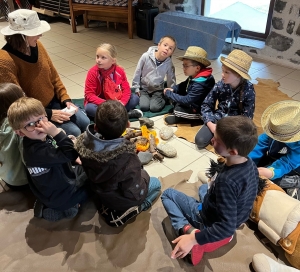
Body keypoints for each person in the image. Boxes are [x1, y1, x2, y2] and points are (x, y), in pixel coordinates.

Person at [161, 115, 259, 266]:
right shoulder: (250, 163)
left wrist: (194, 239)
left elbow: (226, 227)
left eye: (217, 140)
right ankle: (220, 235)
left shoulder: (227, 181)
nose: (212, 140)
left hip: (211, 222)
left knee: (168, 194)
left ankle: (189, 230)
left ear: (232, 152)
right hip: (235, 218)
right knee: (202, 188)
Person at [0, 9, 90, 137]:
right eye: (35, 32)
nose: (40, 35)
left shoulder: (38, 45)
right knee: (74, 131)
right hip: (34, 115)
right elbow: (19, 103)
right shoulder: (4, 60)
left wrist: (65, 99)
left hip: (54, 102)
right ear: (21, 35)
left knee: (85, 122)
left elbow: (54, 75)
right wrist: (48, 114)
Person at [75, 100, 161, 227]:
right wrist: (144, 177)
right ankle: (135, 209)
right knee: (156, 183)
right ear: (128, 125)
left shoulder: (84, 145)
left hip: (100, 192)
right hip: (118, 200)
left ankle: (109, 205)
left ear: (96, 127)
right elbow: (133, 191)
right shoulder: (127, 159)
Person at [8, 97, 89, 222]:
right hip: (62, 195)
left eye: (41, 119)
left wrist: (71, 159)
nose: (39, 125)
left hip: (55, 184)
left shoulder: (35, 139)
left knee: (85, 167)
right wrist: (56, 132)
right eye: (30, 124)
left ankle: (49, 204)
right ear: (20, 133)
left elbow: (62, 155)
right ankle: (58, 210)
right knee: (93, 181)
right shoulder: (37, 152)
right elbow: (71, 154)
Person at [195, 49, 255, 149]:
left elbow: (247, 119)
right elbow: (206, 105)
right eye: (223, 71)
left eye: (227, 72)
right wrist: (211, 124)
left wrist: (233, 131)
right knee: (200, 141)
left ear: (238, 75)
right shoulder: (220, 85)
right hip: (218, 120)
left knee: (237, 147)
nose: (222, 75)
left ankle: (222, 141)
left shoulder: (248, 91)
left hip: (235, 126)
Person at [249, 100, 300, 199]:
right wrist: (246, 162)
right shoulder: (276, 130)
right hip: (276, 158)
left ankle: (296, 183)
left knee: (270, 182)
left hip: (295, 168)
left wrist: (271, 172)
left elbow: (288, 163)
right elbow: (258, 145)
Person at [84, 43, 142, 119]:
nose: (98, 60)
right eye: (97, 56)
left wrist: (122, 103)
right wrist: (108, 104)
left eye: (103, 58)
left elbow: (126, 89)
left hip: (116, 100)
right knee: (89, 108)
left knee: (135, 98)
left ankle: (109, 117)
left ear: (113, 61)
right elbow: (89, 95)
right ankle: (124, 115)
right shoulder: (92, 72)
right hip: (102, 103)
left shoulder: (119, 71)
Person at [163, 46, 215, 125]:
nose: (183, 68)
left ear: (197, 68)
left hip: (199, 109)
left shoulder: (200, 84)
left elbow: (187, 100)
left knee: (177, 109)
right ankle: (180, 114)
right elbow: (184, 85)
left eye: (186, 66)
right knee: (177, 97)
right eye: (183, 65)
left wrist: (169, 94)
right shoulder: (195, 74)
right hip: (193, 101)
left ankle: (195, 119)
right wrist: (173, 89)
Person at [132, 35, 176, 113]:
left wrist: (171, 93)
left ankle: (163, 98)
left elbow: (171, 78)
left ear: (171, 53)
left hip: (157, 89)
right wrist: (136, 87)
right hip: (144, 88)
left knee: (154, 108)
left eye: (170, 48)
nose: (167, 49)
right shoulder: (145, 56)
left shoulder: (169, 63)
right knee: (144, 107)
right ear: (158, 45)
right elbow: (137, 72)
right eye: (165, 45)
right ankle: (148, 99)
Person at [0, 83, 29, 190]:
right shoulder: (20, 125)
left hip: (7, 178)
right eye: (22, 94)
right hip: (23, 181)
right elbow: (28, 160)